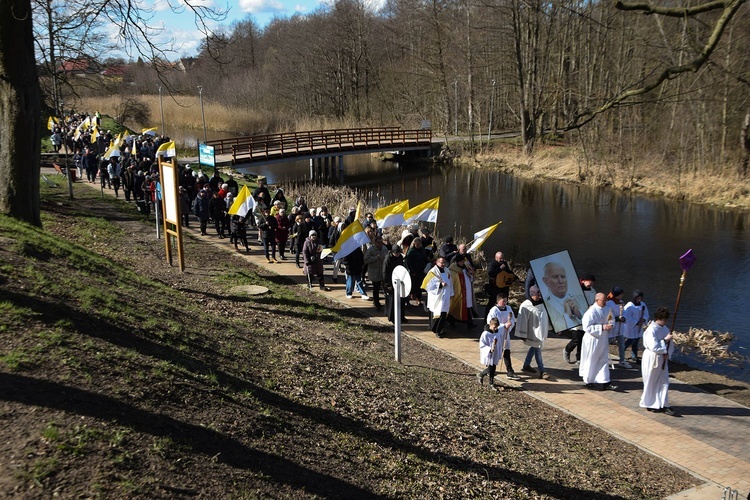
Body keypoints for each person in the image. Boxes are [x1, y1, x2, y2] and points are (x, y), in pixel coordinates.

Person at [639, 307, 676, 415]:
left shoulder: (664, 328)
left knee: (664, 382)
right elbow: (653, 346)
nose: (665, 322)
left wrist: (667, 353)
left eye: (666, 320)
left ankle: (664, 404)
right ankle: (650, 403)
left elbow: (670, 345)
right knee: (651, 381)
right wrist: (665, 341)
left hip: (662, 358)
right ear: (659, 318)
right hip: (652, 358)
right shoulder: (651, 329)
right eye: (664, 319)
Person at [579, 293, 618, 391]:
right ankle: (588, 380)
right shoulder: (591, 311)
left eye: (605, 300)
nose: (605, 302)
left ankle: (606, 382)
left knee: (603, 359)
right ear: (597, 300)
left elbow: (611, 319)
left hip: (603, 338)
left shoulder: (607, 309)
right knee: (591, 359)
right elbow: (586, 327)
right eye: (603, 300)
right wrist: (602, 327)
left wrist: (611, 325)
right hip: (592, 339)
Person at [541, 261, 587, 332]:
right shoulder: (545, 305)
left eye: (563, 276)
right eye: (555, 277)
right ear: (545, 281)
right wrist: (567, 316)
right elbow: (554, 326)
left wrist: (579, 313)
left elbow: (590, 320)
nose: (561, 281)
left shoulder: (580, 298)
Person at [517, 286, 550, 379]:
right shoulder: (526, 305)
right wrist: (522, 334)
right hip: (533, 332)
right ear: (532, 294)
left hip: (541, 330)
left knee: (534, 346)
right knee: (537, 349)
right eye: (537, 294)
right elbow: (522, 321)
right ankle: (542, 371)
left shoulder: (543, 303)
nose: (540, 296)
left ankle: (526, 365)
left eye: (540, 293)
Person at [564, 274, 597, 364]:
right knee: (576, 338)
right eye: (589, 283)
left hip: (587, 317)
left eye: (592, 284)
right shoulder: (576, 290)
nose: (591, 286)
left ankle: (579, 358)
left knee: (583, 339)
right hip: (577, 315)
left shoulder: (592, 291)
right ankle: (567, 350)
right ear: (583, 281)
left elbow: (595, 302)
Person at [486, 294, 519, 380]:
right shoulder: (494, 310)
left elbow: (512, 319)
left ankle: (510, 371)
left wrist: (510, 325)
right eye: (503, 301)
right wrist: (503, 326)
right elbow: (491, 322)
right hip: (496, 334)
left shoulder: (508, 308)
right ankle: (489, 369)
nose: (505, 303)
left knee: (506, 351)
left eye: (506, 301)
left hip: (506, 333)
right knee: (495, 352)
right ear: (498, 301)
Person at [424, 256, 454, 337]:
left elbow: (450, 282)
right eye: (441, 262)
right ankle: (437, 330)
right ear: (437, 262)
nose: (443, 264)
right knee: (438, 313)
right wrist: (440, 285)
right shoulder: (432, 272)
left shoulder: (447, 270)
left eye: (444, 262)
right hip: (437, 296)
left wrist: (451, 293)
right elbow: (428, 285)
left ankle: (441, 329)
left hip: (446, 295)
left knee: (444, 314)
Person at [448, 254, 476, 329]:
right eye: (461, 261)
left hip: (467, 291)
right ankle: (452, 322)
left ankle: (469, 323)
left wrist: (470, 275)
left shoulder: (466, 267)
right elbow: (452, 281)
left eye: (463, 261)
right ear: (457, 262)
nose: (462, 263)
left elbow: (472, 277)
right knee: (455, 306)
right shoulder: (452, 269)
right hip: (458, 291)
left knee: (467, 307)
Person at [606, 286, 630, 368]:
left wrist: (623, 318)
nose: (622, 296)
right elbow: (608, 316)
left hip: (620, 328)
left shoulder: (621, 302)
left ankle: (622, 360)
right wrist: (616, 318)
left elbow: (625, 313)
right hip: (612, 328)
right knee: (606, 344)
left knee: (621, 344)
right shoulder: (609, 303)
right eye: (621, 294)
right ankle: (604, 360)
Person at [485, 251, 515, 317]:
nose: (502, 260)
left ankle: (504, 317)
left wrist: (515, 277)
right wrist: (500, 268)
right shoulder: (492, 264)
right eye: (500, 258)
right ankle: (487, 317)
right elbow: (490, 273)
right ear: (496, 258)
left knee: (504, 301)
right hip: (495, 287)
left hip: (504, 286)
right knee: (492, 301)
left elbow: (508, 272)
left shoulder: (504, 263)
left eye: (503, 258)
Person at [623, 290, 650, 363]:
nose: (639, 300)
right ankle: (622, 352)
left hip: (639, 326)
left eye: (640, 298)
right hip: (631, 327)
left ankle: (634, 356)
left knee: (636, 341)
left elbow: (646, 314)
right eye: (638, 298)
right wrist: (637, 322)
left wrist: (643, 320)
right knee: (631, 340)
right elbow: (627, 317)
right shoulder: (629, 306)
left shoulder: (642, 304)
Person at [383, 244, 407, 323]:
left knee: (402, 300)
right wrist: (388, 284)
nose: (397, 254)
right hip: (391, 282)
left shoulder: (400, 258)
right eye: (396, 253)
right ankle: (392, 317)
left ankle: (401, 316)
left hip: (400, 281)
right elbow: (385, 272)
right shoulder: (388, 259)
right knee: (392, 300)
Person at [477, 318, 503, 388]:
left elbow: (500, 342)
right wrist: (489, 349)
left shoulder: (497, 333)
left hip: (495, 353)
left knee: (493, 367)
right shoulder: (485, 334)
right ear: (490, 325)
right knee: (491, 368)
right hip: (489, 353)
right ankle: (488, 380)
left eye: (496, 327)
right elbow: (482, 344)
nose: (495, 329)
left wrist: (500, 349)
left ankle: (487, 380)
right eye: (494, 327)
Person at [364, 235, 388, 310]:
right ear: (375, 242)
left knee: (386, 288)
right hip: (374, 272)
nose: (381, 244)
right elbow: (366, 259)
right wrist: (376, 257)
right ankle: (376, 302)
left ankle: (388, 303)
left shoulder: (384, 248)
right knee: (376, 288)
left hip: (383, 272)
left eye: (381, 242)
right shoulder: (371, 249)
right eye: (379, 242)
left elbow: (387, 258)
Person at [405, 237, 428, 307]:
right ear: (414, 244)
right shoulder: (411, 251)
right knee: (412, 286)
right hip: (414, 271)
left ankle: (418, 299)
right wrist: (412, 270)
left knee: (419, 286)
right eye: (417, 244)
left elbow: (424, 258)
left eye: (419, 244)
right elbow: (408, 262)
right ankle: (409, 298)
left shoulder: (422, 250)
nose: (418, 245)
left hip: (421, 270)